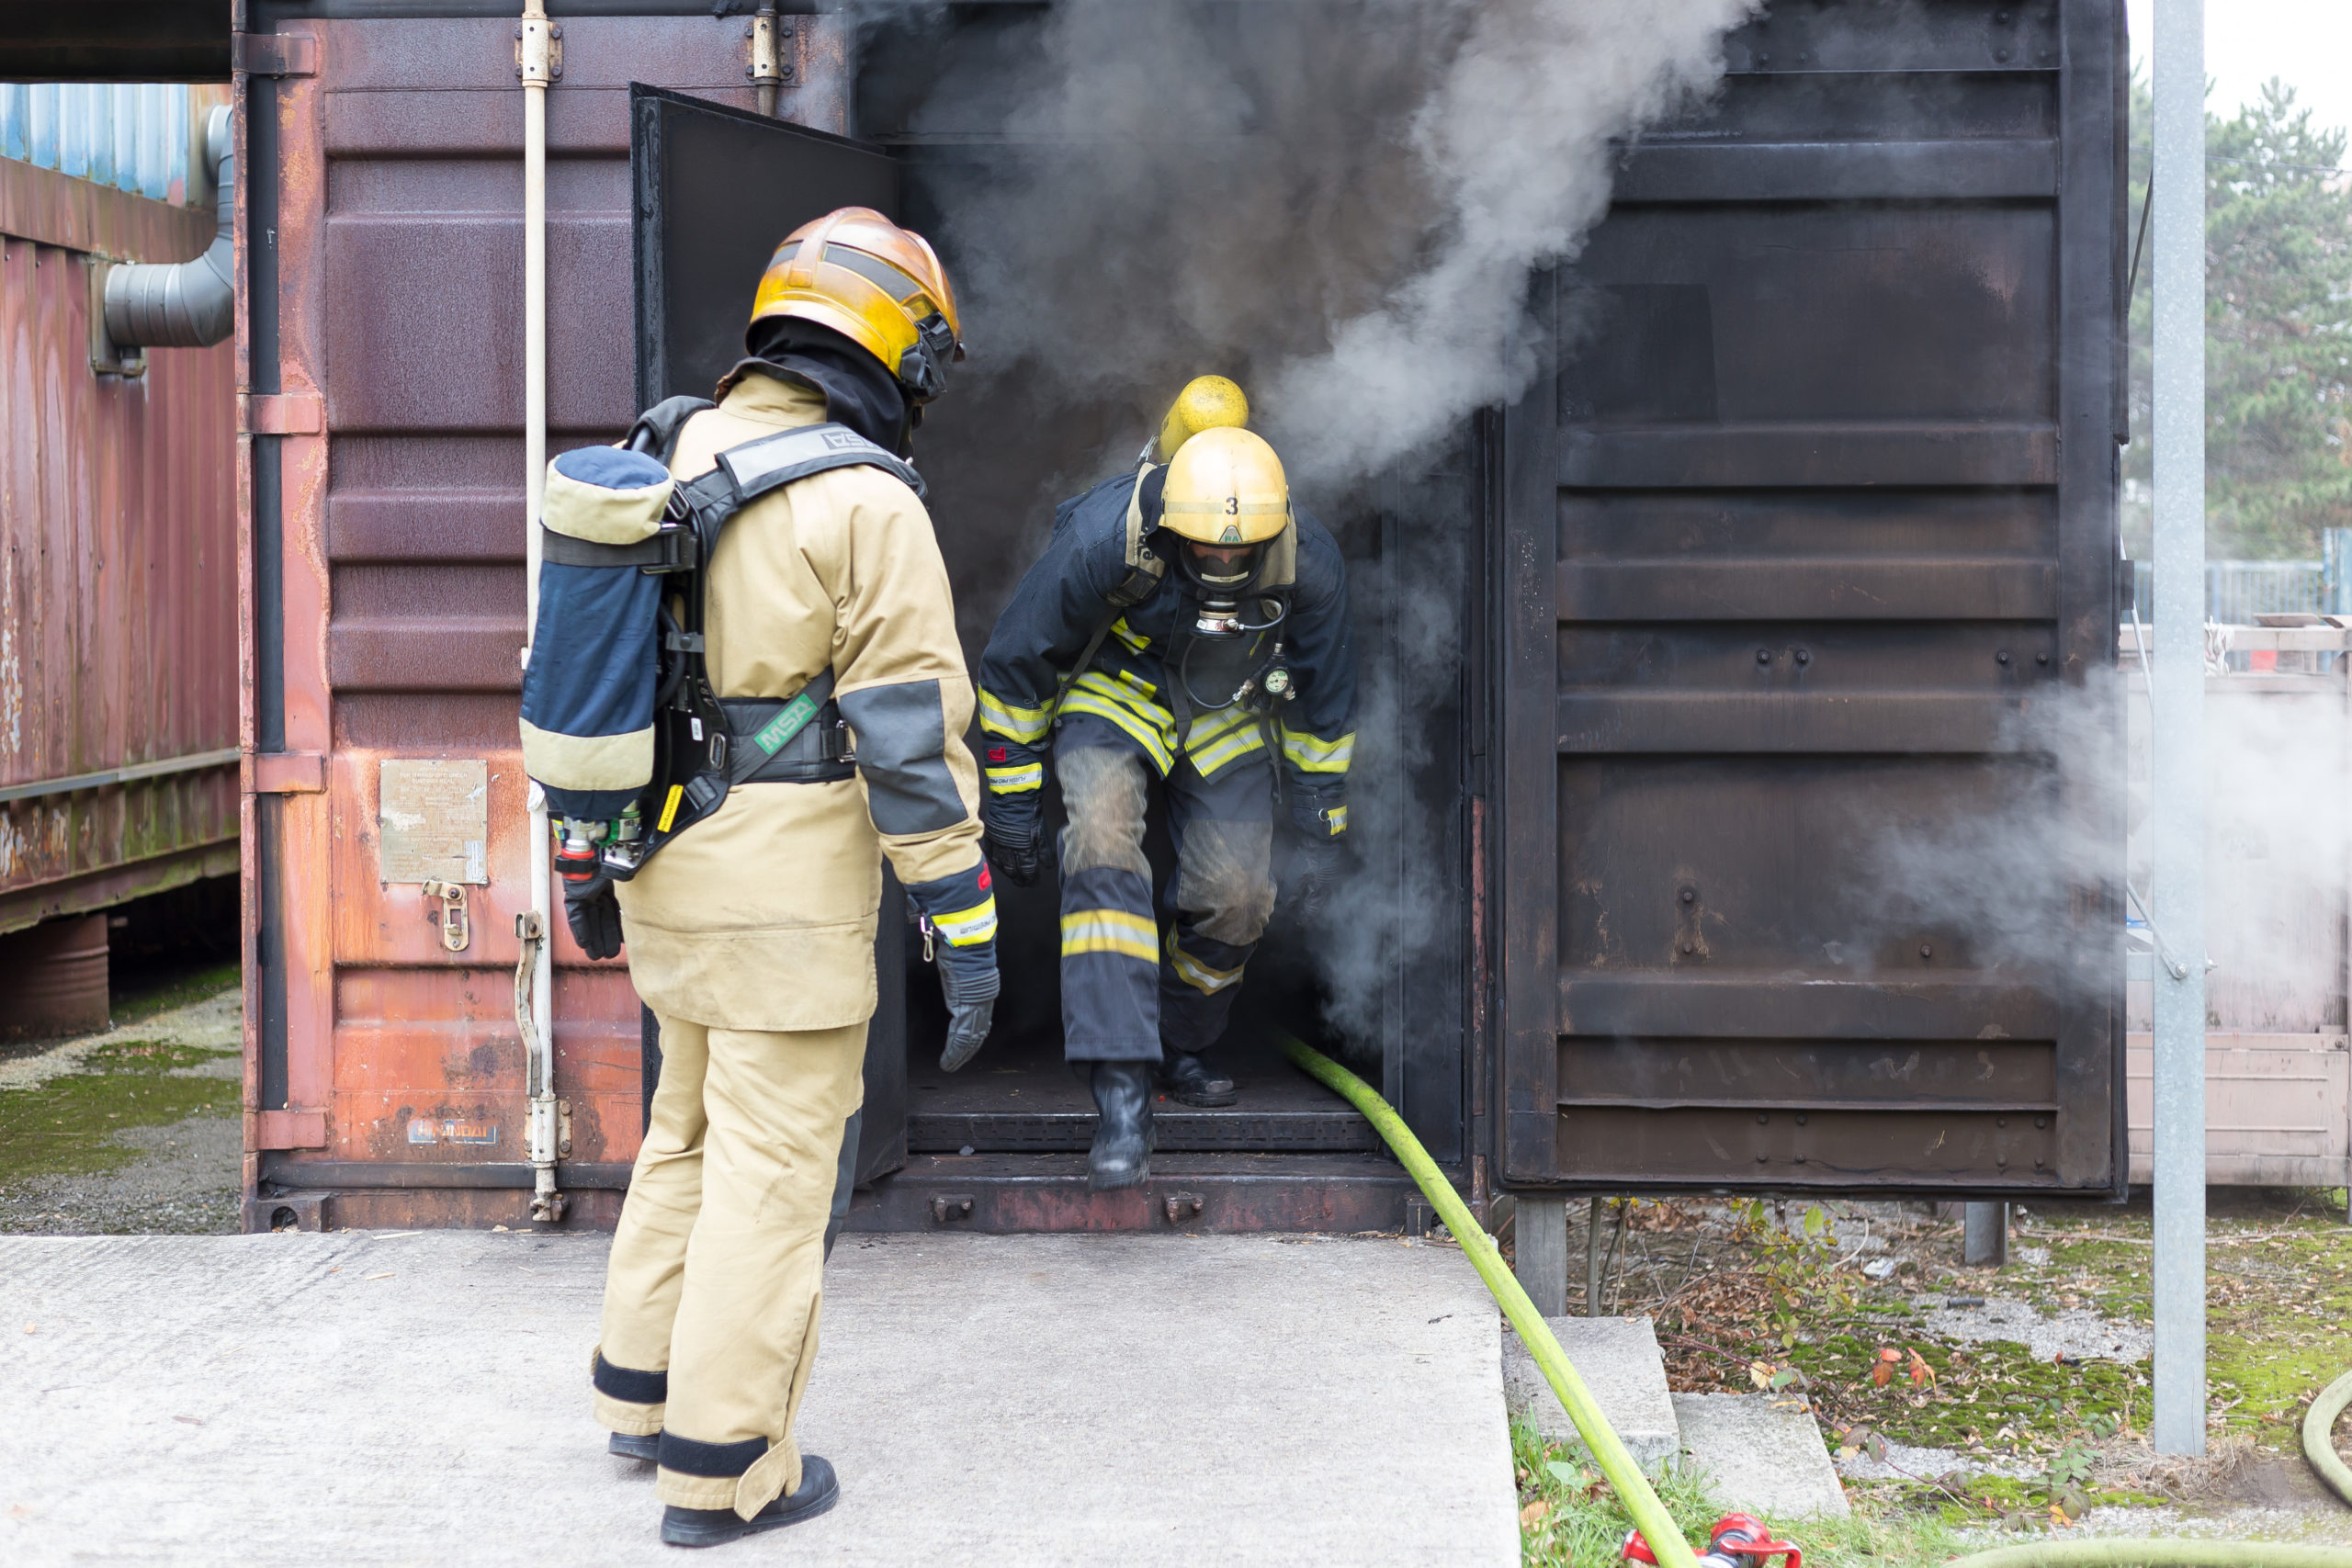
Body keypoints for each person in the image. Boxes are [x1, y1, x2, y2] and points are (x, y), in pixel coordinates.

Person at [580, 208, 995, 1548]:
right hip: (787, 901)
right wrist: (962, 918)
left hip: (663, 865)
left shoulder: (667, 448)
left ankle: (640, 1392)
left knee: (687, 1130)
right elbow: (910, 740)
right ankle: (725, 1468)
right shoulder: (867, 501)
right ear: (895, 349)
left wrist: (585, 850)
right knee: (772, 1171)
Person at [975, 378, 1355, 1190]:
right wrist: (1009, 797)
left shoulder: (1307, 558)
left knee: (1238, 896)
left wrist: (1322, 817)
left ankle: (1181, 1039)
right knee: (1102, 845)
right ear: (1173, 525)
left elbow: (1323, 698)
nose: (1223, 562)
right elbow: (1017, 664)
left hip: (1228, 705)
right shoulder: (1105, 537)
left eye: (1239, 552)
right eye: (1205, 549)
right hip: (1118, 690)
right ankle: (1121, 1089)